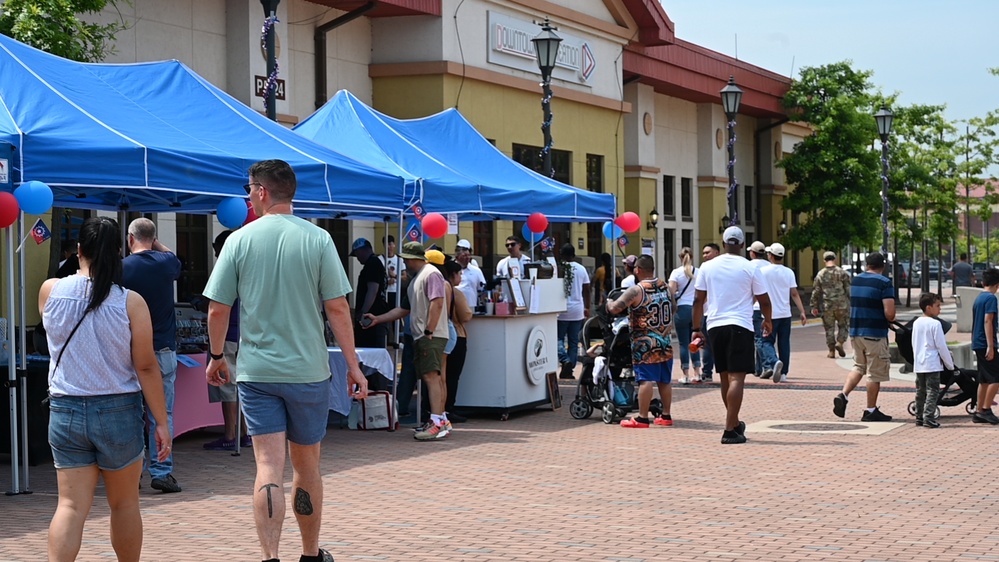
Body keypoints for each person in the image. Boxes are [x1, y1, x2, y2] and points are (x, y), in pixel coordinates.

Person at [203, 159, 368, 562]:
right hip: (308, 370)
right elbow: (338, 309)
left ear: (261, 191)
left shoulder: (239, 241)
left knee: (267, 467)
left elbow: (217, 309)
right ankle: (310, 554)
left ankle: (270, 557)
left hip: (257, 371)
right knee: (306, 467)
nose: (247, 198)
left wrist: (216, 355)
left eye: (248, 190)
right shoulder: (318, 239)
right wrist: (353, 364)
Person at [40, 216, 171, 562]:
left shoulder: (50, 291)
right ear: (118, 253)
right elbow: (145, 365)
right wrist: (161, 421)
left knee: (69, 506)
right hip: (118, 409)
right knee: (125, 503)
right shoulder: (130, 302)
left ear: (79, 249)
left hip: (65, 408)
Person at [691, 226, 772, 444]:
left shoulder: (707, 267)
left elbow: (698, 300)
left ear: (724, 243)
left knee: (725, 376)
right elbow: (763, 299)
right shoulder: (749, 267)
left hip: (715, 325)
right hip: (740, 324)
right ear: (743, 245)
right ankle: (729, 429)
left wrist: (696, 328)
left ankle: (734, 423)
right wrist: (768, 320)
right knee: (737, 377)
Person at [366, 241, 452, 441]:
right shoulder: (417, 279)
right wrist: (378, 319)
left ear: (415, 259)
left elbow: (437, 302)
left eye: (406, 258)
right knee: (433, 378)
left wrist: (429, 329)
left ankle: (438, 421)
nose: (403, 262)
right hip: (425, 335)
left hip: (431, 335)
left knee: (432, 378)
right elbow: (404, 310)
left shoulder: (430, 274)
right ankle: (440, 420)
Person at [121, 217, 182, 493]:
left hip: (131, 349)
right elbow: (171, 256)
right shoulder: (166, 263)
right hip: (164, 349)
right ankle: (162, 470)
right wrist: (153, 240)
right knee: (162, 413)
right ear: (153, 238)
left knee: (132, 412)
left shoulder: (121, 268)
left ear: (130, 239)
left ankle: (132, 472)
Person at [608, 255, 674, 428]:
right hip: (665, 340)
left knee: (645, 380)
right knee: (664, 380)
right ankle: (666, 415)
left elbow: (615, 308)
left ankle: (642, 418)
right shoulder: (665, 286)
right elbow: (673, 307)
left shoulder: (637, 290)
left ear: (637, 269)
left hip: (644, 343)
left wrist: (608, 303)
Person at [832, 252, 896, 422]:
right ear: (883, 266)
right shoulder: (884, 283)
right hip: (874, 334)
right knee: (874, 373)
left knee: (859, 366)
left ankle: (843, 394)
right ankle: (870, 410)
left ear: (867, 265)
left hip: (856, 331)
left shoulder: (857, 280)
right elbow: (889, 313)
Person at [202, 230, 250, 451]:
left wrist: (215, 351)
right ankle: (243, 433)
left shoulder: (227, 271)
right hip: (244, 335)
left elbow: (218, 309)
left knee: (228, 388)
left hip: (228, 337)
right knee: (238, 387)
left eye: (215, 248)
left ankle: (231, 434)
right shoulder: (249, 269)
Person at [759, 243, 807, 383]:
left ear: (770, 255)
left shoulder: (763, 271)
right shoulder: (789, 272)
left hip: (770, 314)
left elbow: (758, 292)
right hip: (785, 314)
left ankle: (774, 362)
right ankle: (784, 373)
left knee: (766, 341)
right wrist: (802, 311)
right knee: (784, 343)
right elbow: (794, 293)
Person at [912, 292, 955, 428]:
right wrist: (950, 364)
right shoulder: (935, 324)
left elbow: (914, 343)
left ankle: (919, 416)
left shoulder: (916, 322)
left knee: (920, 390)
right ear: (928, 307)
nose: (939, 309)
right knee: (933, 390)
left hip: (919, 362)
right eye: (937, 306)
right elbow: (941, 346)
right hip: (932, 363)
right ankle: (929, 417)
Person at [443, 259, 473, 421]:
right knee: (453, 376)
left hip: (440, 335)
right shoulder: (455, 292)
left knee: (442, 375)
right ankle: (449, 408)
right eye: (459, 274)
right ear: (452, 275)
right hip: (457, 335)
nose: (461, 277)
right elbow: (466, 315)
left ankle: (437, 408)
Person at [556, 243, 591, 380]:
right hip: (577, 309)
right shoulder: (581, 269)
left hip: (561, 309)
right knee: (573, 342)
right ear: (574, 254)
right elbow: (587, 289)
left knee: (557, 339)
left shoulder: (559, 269)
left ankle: (565, 360)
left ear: (562, 255)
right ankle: (569, 369)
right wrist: (587, 307)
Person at [349, 237, 390, 348]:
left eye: (356, 254)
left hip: (372, 318)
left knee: (371, 355)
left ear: (361, 250)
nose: (357, 258)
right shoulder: (374, 263)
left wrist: (363, 313)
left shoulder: (373, 264)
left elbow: (373, 290)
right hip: (374, 317)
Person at [668, 247, 700, 384]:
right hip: (695, 309)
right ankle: (698, 373)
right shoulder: (698, 272)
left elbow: (671, 291)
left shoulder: (676, 273)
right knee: (695, 342)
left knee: (683, 343)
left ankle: (685, 374)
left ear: (680, 257)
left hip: (681, 309)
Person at [971, 268, 999, 425]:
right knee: (996, 377)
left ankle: (979, 410)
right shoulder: (991, 299)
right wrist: (991, 346)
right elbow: (988, 321)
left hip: (977, 342)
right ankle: (986, 410)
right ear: (998, 285)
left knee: (983, 379)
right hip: (985, 343)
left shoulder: (979, 298)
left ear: (983, 282)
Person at [810, 251, 851, 358]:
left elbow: (816, 291)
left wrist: (813, 306)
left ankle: (831, 351)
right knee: (844, 326)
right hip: (842, 305)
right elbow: (848, 289)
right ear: (835, 259)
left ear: (824, 260)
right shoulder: (842, 273)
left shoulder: (821, 274)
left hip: (827, 306)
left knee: (829, 329)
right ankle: (840, 342)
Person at [746, 241, 770, 378]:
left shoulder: (749, 266)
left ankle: (766, 365)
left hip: (754, 307)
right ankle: (758, 367)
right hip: (767, 306)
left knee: (758, 339)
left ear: (753, 253)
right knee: (763, 337)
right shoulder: (769, 266)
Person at [698, 243, 720, 383]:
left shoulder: (715, 268)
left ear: (717, 252)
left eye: (708, 252)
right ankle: (707, 372)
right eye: (704, 253)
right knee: (707, 345)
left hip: (718, 314)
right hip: (708, 313)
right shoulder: (703, 268)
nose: (705, 255)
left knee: (713, 346)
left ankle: (723, 371)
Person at [454, 239, 486, 310]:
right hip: (454, 310)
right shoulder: (451, 270)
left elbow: (482, 291)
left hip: (471, 309)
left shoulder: (476, 271)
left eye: (468, 255)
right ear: (457, 256)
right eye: (464, 255)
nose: (467, 258)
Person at [380, 235, 402, 306]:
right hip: (383, 291)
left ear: (394, 245)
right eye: (386, 244)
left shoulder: (399, 259)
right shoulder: (379, 259)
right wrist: (386, 282)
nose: (388, 247)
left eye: (390, 244)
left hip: (395, 291)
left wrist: (395, 276)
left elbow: (405, 277)